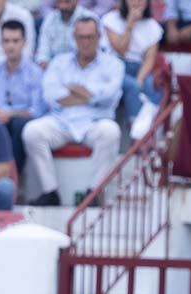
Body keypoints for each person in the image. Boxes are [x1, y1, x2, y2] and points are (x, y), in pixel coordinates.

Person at [23, 17, 122, 207]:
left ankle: (93, 192)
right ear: (74, 38)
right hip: (62, 121)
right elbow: (50, 95)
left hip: (95, 122)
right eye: (81, 37)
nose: (85, 42)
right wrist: (90, 94)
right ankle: (50, 191)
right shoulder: (59, 62)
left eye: (90, 37)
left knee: (111, 131)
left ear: (99, 37)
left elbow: (109, 96)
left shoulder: (113, 64)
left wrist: (72, 89)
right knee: (32, 131)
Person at [0, 19, 43, 176]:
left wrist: (10, 114)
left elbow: (37, 109)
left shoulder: (35, 72)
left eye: (15, 41)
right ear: (1, 43)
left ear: (24, 42)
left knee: (18, 124)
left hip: (21, 121)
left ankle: (13, 177)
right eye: (6, 41)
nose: (11, 45)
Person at [102, 0, 162, 125]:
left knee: (152, 86)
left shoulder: (153, 26)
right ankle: (135, 126)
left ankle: (151, 127)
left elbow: (149, 59)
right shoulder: (110, 19)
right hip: (115, 66)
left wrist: (140, 79)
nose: (137, 2)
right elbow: (122, 50)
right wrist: (130, 24)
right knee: (132, 86)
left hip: (139, 68)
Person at [37, 0, 95, 67]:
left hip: (84, 69)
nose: (63, 3)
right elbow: (43, 54)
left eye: (67, 1)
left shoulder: (90, 19)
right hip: (53, 70)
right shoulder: (50, 19)